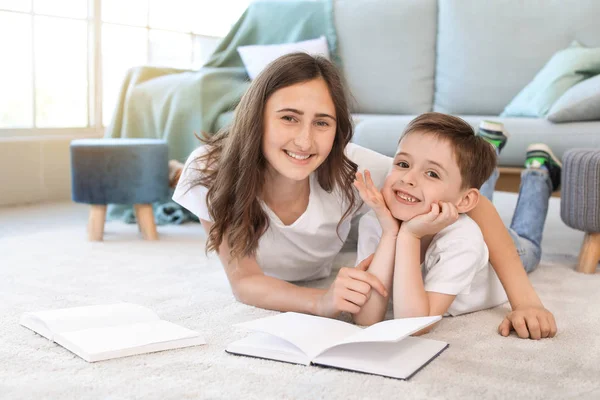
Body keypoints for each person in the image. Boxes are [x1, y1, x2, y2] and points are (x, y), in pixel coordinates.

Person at [171, 52, 556, 339]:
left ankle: (529, 171)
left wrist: (526, 302)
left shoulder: (349, 166)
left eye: (322, 123)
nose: (305, 141)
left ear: (338, 130)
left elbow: (475, 206)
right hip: (382, 233)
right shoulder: (209, 172)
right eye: (288, 117)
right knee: (411, 207)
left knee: (499, 233)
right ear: (256, 115)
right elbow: (245, 281)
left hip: (426, 233)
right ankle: (488, 150)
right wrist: (322, 302)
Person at [353, 113, 559, 338]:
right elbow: (366, 318)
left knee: (526, 241)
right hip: (456, 204)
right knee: (460, 186)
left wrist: (409, 236)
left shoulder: (463, 239)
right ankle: (489, 150)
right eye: (402, 164)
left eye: (432, 173)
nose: (408, 178)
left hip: (500, 250)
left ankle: (539, 172)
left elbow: (412, 324)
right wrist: (391, 233)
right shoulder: (376, 221)